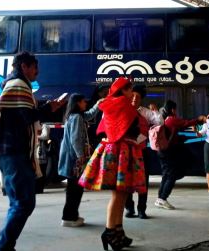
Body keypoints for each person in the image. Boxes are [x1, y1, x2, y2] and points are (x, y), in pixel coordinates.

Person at [0, 51, 65, 251]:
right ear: (24, 67)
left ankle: (5, 246)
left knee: (18, 203)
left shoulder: (14, 85)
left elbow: (22, 114)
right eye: (34, 67)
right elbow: (27, 117)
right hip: (14, 152)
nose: (37, 71)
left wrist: (46, 107)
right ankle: (3, 246)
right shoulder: (19, 85)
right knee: (23, 203)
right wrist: (50, 108)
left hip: (11, 152)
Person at [79, 77, 146, 251]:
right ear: (122, 90)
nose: (132, 93)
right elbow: (129, 129)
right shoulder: (121, 104)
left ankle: (118, 231)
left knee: (122, 194)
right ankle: (110, 231)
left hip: (119, 150)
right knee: (118, 195)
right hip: (120, 151)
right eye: (130, 89)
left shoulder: (113, 104)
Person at [58, 93, 101, 227]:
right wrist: (80, 155)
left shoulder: (76, 116)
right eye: (83, 102)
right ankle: (69, 217)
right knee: (74, 190)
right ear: (77, 103)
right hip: (74, 160)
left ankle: (71, 215)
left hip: (72, 158)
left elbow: (89, 115)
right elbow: (75, 139)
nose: (85, 103)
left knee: (74, 188)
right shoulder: (76, 117)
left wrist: (98, 105)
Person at [155, 100, 204, 210]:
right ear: (173, 109)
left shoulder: (164, 119)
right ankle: (163, 198)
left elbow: (173, 135)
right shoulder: (172, 119)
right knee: (171, 175)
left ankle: (160, 199)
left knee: (166, 175)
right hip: (169, 152)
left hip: (162, 151)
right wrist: (199, 119)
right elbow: (186, 123)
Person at [125, 85, 163, 219]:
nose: (135, 98)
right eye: (133, 95)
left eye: (138, 97)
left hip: (142, 151)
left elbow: (160, 122)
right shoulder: (122, 109)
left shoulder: (145, 112)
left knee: (143, 181)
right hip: (127, 151)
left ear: (141, 99)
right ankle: (129, 208)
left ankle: (142, 209)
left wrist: (156, 111)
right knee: (127, 181)